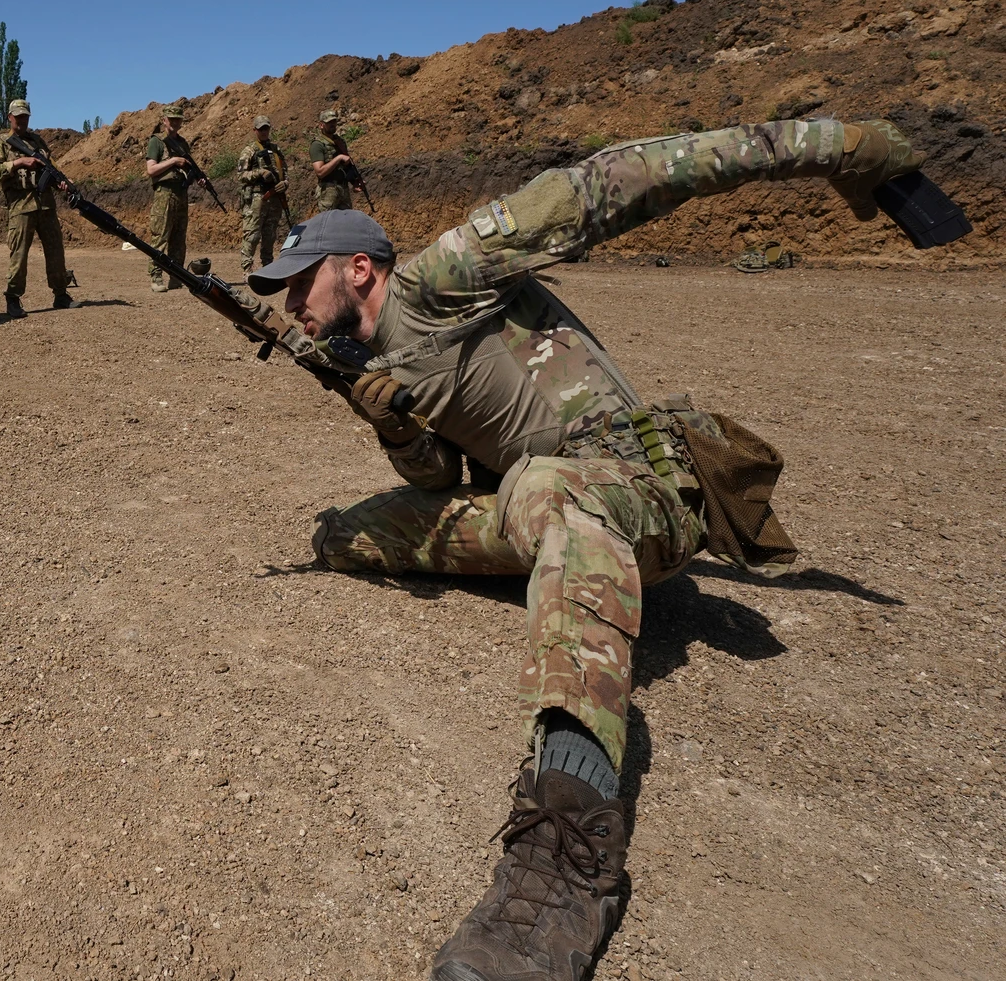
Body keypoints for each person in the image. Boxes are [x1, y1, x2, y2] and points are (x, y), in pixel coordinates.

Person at [242, 118, 925, 981]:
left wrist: (833, 146)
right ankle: (541, 560)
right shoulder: (377, 351)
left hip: (642, 493)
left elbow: (620, 177)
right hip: (540, 504)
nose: (290, 306)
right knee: (350, 531)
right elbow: (439, 475)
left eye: (300, 285)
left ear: (360, 269)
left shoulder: (446, 276)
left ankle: (566, 856)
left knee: (540, 486)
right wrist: (391, 427)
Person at [0, 99, 75, 319]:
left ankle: (61, 294)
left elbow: (52, 168)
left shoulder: (38, 141)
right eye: (18, 117)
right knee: (19, 254)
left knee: (55, 251)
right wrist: (18, 163)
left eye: (25, 116)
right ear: (9, 117)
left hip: (45, 205)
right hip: (21, 206)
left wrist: (62, 183)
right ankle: (13, 298)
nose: (22, 120)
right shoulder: (2, 143)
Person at [142, 103, 193, 292]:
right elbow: (151, 169)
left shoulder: (183, 143)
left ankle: (176, 276)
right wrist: (173, 160)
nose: (175, 122)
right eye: (171, 119)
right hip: (164, 193)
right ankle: (156, 276)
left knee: (179, 237)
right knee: (160, 236)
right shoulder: (156, 141)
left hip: (181, 193)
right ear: (164, 120)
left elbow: (188, 167)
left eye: (178, 119)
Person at [235, 115, 290, 274]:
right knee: (251, 234)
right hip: (256, 199)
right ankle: (247, 270)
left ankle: (268, 268)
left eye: (266, 128)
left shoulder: (275, 149)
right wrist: (260, 173)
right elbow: (241, 176)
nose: (264, 132)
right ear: (255, 130)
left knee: (270, 234)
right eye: (261, 129)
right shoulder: (249, 150)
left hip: (275, 198)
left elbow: (284, 171)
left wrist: (285, 183)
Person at [309, 107, 363, 212]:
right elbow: (320, 172)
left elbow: (346, 165)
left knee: (346, 223)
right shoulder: (317, 145)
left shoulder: (339, 142)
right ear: (321, 125)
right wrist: (338, 158)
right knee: (328, 223)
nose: (332, 124)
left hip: (343, 188)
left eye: (334, 121)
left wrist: (355, 181)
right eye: (329, 122)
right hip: (328, 190)